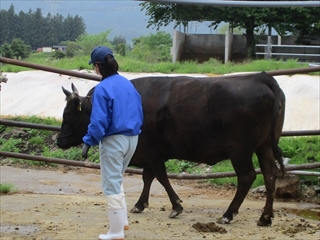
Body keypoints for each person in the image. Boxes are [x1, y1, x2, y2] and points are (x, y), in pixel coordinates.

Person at [82, 46, 143, 240]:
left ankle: (116, 231)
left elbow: (99, 121)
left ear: (98, 66)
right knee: (117, 178)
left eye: (94, 66)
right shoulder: (127, 83)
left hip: (114, 140)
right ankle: (122, 222)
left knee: (111, 184)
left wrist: (89, 140)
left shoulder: (102, 88)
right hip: (132, 138)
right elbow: (139, 110)